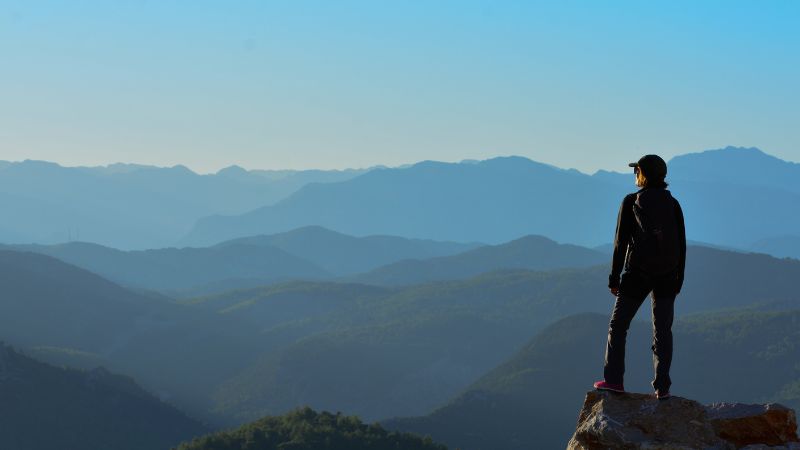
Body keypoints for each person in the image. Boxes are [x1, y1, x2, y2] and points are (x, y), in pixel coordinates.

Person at [593, 154, 686, 400]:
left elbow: (620, 243)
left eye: (637, 171)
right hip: (668, 276)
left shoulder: (631, 201)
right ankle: (662, 387)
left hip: (637, 275)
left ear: (643, 174)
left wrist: (614, 278)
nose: (634, 175)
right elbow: (682, 244)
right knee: (663, 330)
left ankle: (613, 381)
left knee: (618, 326)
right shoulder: (673, 203)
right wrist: (679, 279)